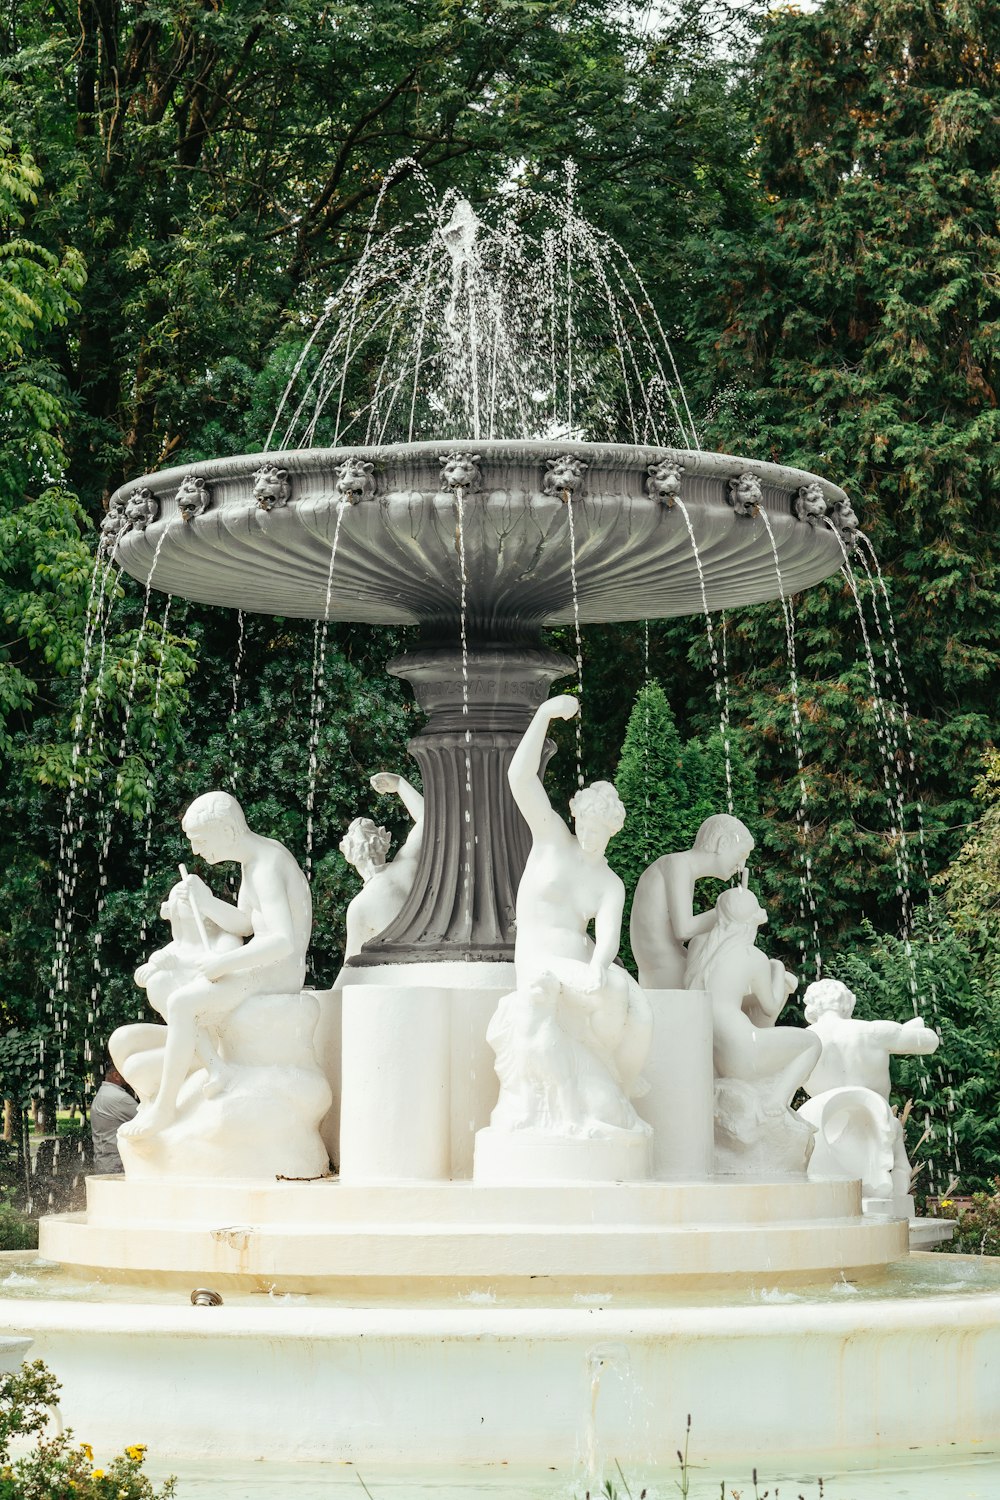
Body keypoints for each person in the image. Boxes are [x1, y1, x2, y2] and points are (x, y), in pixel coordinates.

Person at [120, 791, 311, 1142]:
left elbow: (283, 940)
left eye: (200, 840)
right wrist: (206, 902)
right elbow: (243, 925)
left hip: (277, 971)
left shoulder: (267, 865)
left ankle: (165, 1107)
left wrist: (224, 961)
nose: (196, 851)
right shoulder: (253, 862)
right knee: (165, 983)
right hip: (261, 963)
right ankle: (214, 1067)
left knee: (182, 1002)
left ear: (226, 830)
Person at [506, 694, 651, 1101]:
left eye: (598, 829)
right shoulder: (551, 837)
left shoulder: (610, 884)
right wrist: (543, 715)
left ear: (612, 831)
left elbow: (607, 937)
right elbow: (520, 778)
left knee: (640, 1011)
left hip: (581, 960)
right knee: (617, 994)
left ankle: (614, 1074)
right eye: (584, 824)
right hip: (538, 960)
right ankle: (602, 1074)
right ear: (575, 816)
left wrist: (598, 965)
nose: (588, 834)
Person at [685, 882, 818, 1111]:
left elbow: (720, 996)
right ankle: (775, 1104)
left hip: (713, 1051)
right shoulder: (753, 956)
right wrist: (776, 969)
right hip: (742, 1050)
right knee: (812, 1044)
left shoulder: (699, 946)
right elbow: (771, 1006)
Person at [630, 813, 755, 990]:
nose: (742, 866)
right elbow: (684, 930)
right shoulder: (678, 864)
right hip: (668, 972)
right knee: (742, 988)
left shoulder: (681, 869)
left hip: (666, 969)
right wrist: (731, 909)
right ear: (723, 843)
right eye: (742, 854)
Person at [339, 772, 424, 958]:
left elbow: (351, 969)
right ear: (383, 840)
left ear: (346, 852)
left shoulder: (359, 907)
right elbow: (429, 819)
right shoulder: (406, 863)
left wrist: (400, 784)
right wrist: (400, 785)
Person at [89, 1064, 137, 1173]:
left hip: (103, 1161)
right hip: (117, 1163)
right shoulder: (120, 1098)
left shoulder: (103, 1094)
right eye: (126, 1075)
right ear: (116, 1075)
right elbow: (147, 1121)